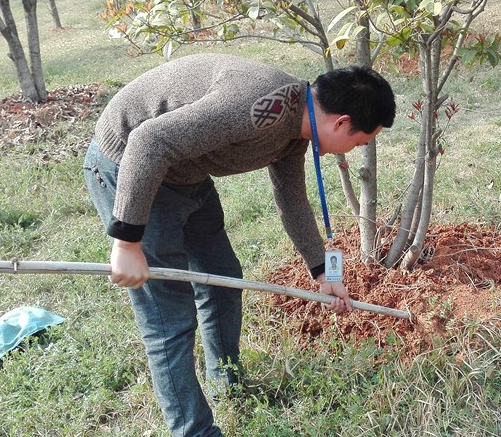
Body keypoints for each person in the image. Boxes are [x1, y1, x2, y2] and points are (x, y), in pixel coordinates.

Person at [82, 53, 396, 437]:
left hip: (184, 171)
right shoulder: (259, 107)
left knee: (222, 280)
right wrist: (127, 241)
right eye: (359, 142)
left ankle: (226, 384)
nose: (351, 150)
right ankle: (195, 431)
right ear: (341, 122)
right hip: (129, 164)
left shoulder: (296, 125)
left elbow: (292, 199)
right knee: (169, 317)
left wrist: (322, 273)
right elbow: (147, 141)